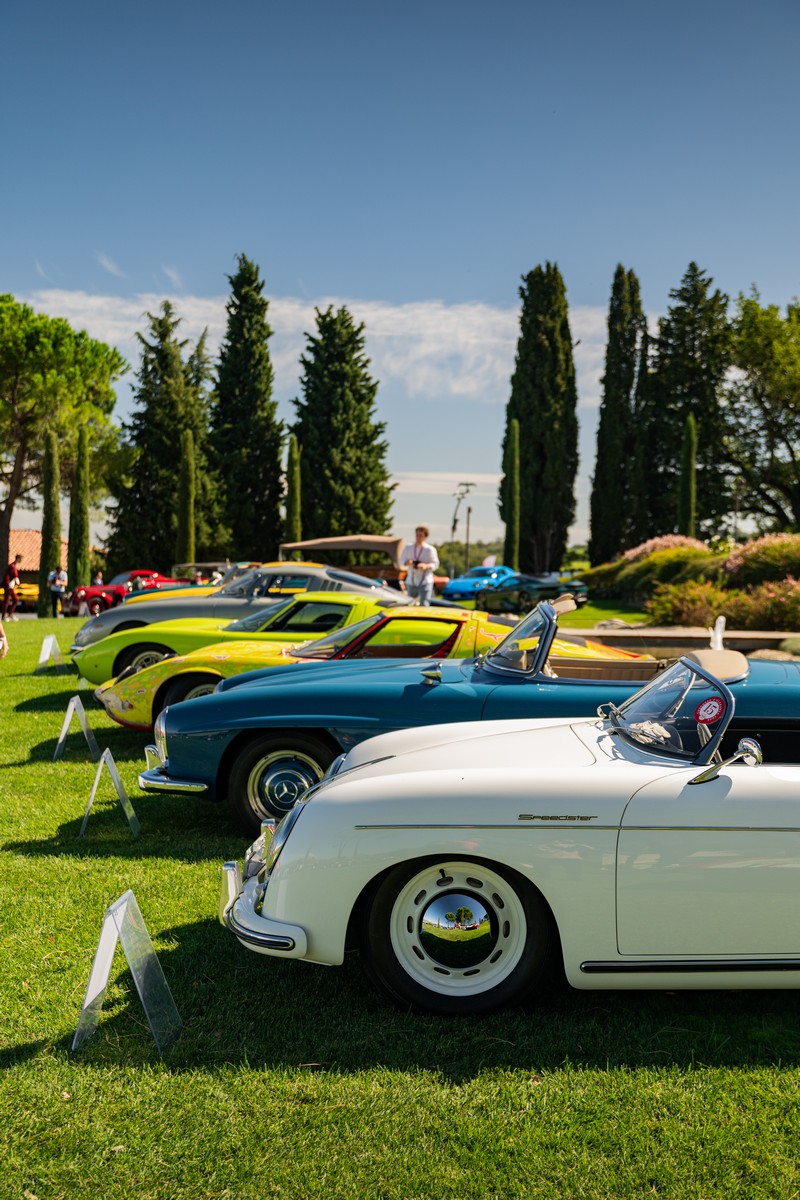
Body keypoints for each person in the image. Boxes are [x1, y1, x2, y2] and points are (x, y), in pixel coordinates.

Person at [401, 525, 439, 605]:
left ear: (425, 537)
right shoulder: (408, 547)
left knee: (424, 604)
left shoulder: (429, 549)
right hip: (411, 580)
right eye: (417, 535)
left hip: (425, 580)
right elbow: (401, 560)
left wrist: (426, 566)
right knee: (410, 603)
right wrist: (408, 562)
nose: (418, 537)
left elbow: (435, 564)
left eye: (421, 535)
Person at [3, 554, 22, 620]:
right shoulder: (12, 566)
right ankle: (3, 616)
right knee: (6, 601)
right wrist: (8, 584)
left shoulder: (14, 566)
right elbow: (10, 576)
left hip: (11, 586)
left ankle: (10, 614)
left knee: (15, 599)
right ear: (18, 559)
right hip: (9, 586)